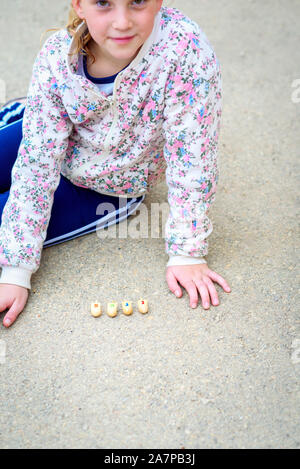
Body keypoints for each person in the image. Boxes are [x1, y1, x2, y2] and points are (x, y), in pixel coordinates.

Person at [0, 0, 231, 328]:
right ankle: (25, 110)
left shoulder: (185, 53)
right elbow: (36, 161)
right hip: (52, 139)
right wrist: (17, 267)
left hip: (108, 186)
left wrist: (187, 253)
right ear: (79, 5)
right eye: (104, 3)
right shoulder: (56, 57)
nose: (122, 22)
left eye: (137, 1)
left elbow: (193, 156)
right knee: (27, 146)